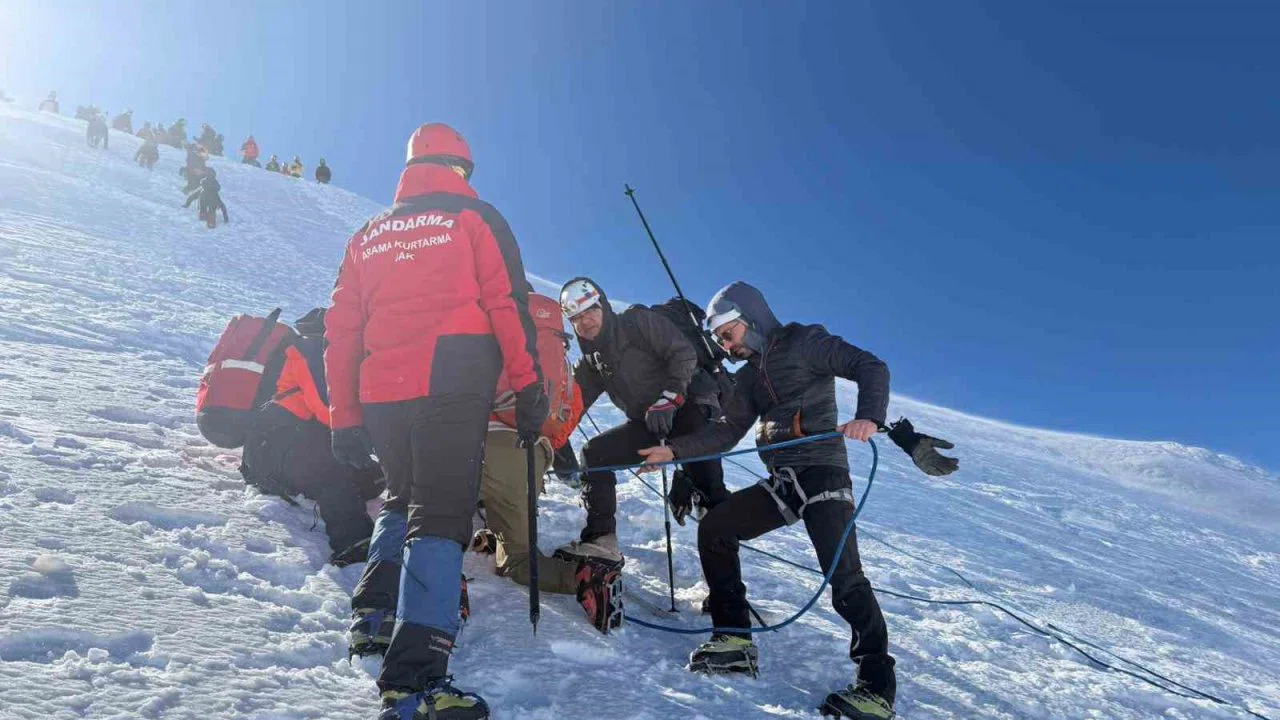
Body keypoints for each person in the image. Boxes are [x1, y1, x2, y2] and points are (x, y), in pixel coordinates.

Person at [639, 281, 957, 719]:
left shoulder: (805, 342)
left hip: (823, 473)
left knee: (844, 577)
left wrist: (869, 416)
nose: (726, 346)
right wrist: (674, 451)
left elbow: (869, 366)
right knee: (716, 528)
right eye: (720, 340)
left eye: (728, 334)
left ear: (750, 319)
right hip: (784, 484)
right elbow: (727, 432)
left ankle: (876, 688)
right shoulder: (749, 377)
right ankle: (734, 639)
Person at [327, 122, 546, 720]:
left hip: (380, 390)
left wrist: (344, 416)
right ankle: (414, 685)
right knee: (442, 516)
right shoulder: (477, 218)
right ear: (460, 168)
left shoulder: (367, 234)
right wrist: (530, 387)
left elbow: (341, 330)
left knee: (402, 498)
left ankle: (373, 617)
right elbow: (508, 304)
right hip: (452, 378)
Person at [551, 277, 728, 567]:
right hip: (652, 423)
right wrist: (550, 433)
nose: (585, 321)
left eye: (591, 310)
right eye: (576, 318)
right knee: (596, 454)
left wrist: (669, 398)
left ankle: (726, 587)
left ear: (604, 305)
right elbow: (572, 406)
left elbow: (682, 353)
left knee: (710, 492)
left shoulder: (637, 322)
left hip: (691, 409)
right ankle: (601, 541)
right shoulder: (594, 362)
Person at [239, 308, 384, 566]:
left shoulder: (335, 351)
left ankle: (330, 495)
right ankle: (353, 544)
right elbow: (327, 409)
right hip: (275, 445)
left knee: (372, 476)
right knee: (332, 475)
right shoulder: (311, 349)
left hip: (301, 439)